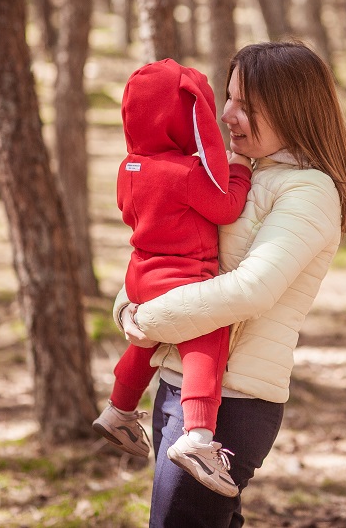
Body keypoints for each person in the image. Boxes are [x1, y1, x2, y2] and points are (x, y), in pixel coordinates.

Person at [113, 41, 346, 527]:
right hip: (178, 384)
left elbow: (253, 289)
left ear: (292, 111)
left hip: (233, 401)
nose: (227, 115)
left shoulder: (307, 191)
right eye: (228, 98)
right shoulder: (235, 170)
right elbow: (166, 251)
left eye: (246, 106)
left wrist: (151, 318)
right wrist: (127, 308)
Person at [93, 58, 252, 498]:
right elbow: (226, 208)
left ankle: (119, 410)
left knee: (145, 340)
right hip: (184, 279)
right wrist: (236, 169)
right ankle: (198, 439)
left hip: (141, 275)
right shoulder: (184, 173)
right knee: (207, 340)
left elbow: (130, 214)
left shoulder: (128, 167)